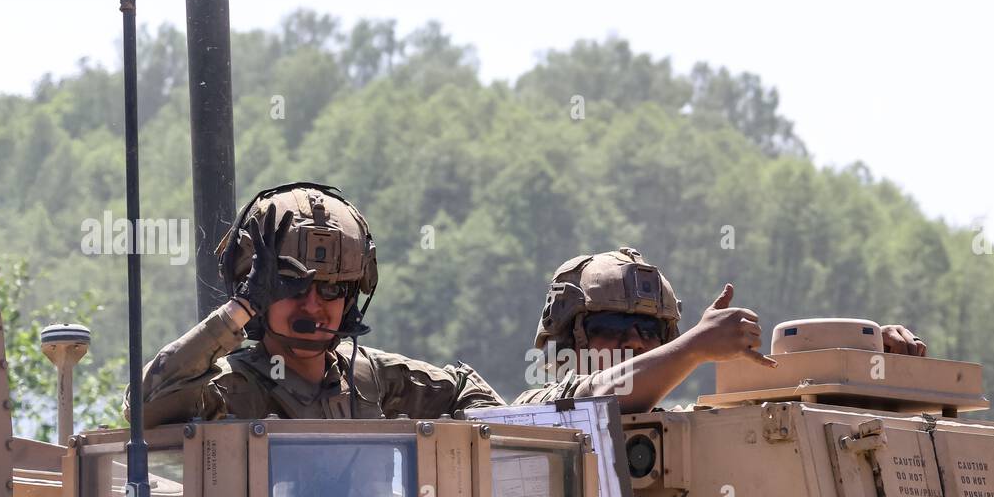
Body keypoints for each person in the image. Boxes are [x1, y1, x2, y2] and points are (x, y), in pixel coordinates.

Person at [132, 182, 502, 427]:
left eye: (330, 289)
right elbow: (143, 405)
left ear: (352, 297)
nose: (311, 304)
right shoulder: (228, 390)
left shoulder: (371, 380)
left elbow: (466, 387)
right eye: (291, 287)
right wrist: (240, 307)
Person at [515, 247, 925, 413]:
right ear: (571, 338)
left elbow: (773, 422)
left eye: (650, 329)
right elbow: (596, 399)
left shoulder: (676, 429)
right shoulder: (533, 412)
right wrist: (696, 346)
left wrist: (864, 358)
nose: (635, 340)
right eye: (612, 325)